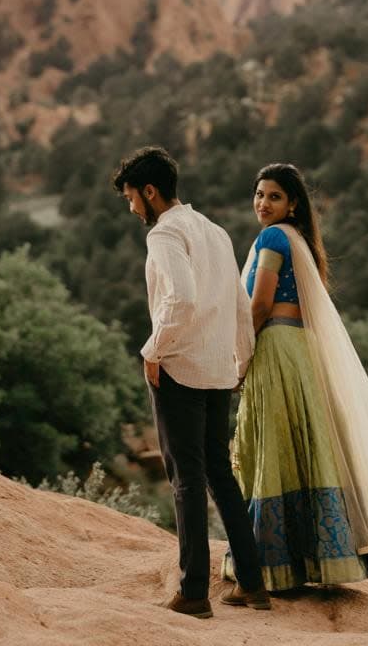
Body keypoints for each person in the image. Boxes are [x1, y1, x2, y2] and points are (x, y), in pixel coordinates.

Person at [223, 163, 368, 593]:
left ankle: (268, 570)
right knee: (304, 446)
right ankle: (312, 559)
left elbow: (258, 306)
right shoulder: (301, 241)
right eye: (259, 194)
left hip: (275, 347)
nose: (263, 203)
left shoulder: (273, 237)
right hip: (299, 349)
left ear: (292, 203)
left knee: (273, 452)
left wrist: (239, 360)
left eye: (274, 196)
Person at [111, 146, 271, 619]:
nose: (131, 206)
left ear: (151, 192)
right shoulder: (216, 232)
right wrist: (240, 359)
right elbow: (241, 305)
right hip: (218, 366)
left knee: (186, 480)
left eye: (131, 197)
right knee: (220, 475)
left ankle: (194, 592)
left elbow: (180, 298)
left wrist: (153, 349)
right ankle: (252, 584)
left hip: (179, 366)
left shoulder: (164, 234)